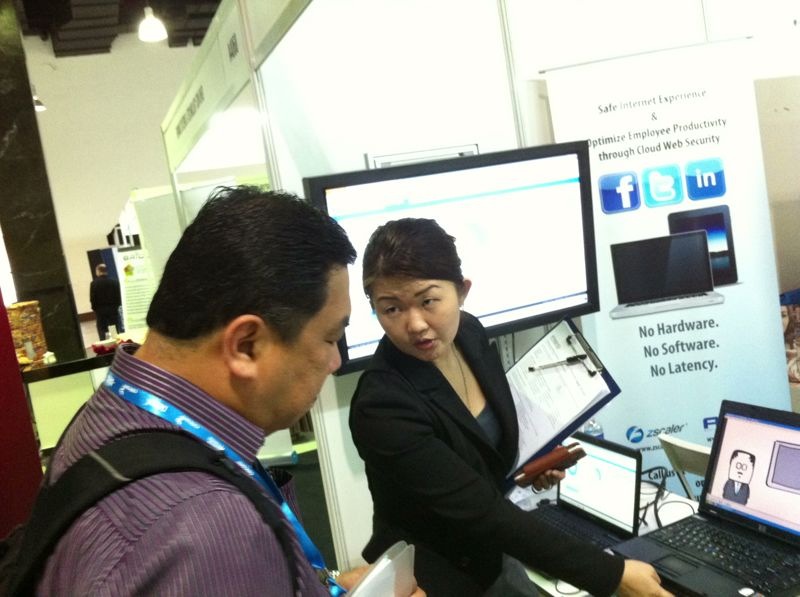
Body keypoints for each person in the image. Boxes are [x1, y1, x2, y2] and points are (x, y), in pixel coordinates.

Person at [38, 187, 423, 596]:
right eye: (329, 338)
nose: (335, 362)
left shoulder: (112, 416)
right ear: (246, 345)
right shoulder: (209, 530)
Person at [349, 218, 672, 597]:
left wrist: (527, 466)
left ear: (462, 291)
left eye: (428, 301)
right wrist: (612, 574)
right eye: (391, 309)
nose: (415, 324)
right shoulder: (381, 405)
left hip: (490, 553)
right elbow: (479, 510)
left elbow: (480, 451)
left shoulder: (468, 333)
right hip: (432, 578)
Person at [89, 262, 123, 340]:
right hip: (113, 309)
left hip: (100, 310)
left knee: (102, 328)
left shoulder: (94, 283)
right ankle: (115, 341)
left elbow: (92, 298)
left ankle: (103, 341)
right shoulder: (114, 282)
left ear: (98, 271)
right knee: (113, 326)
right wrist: (116, 306)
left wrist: (94, 308)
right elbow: (118, 296)